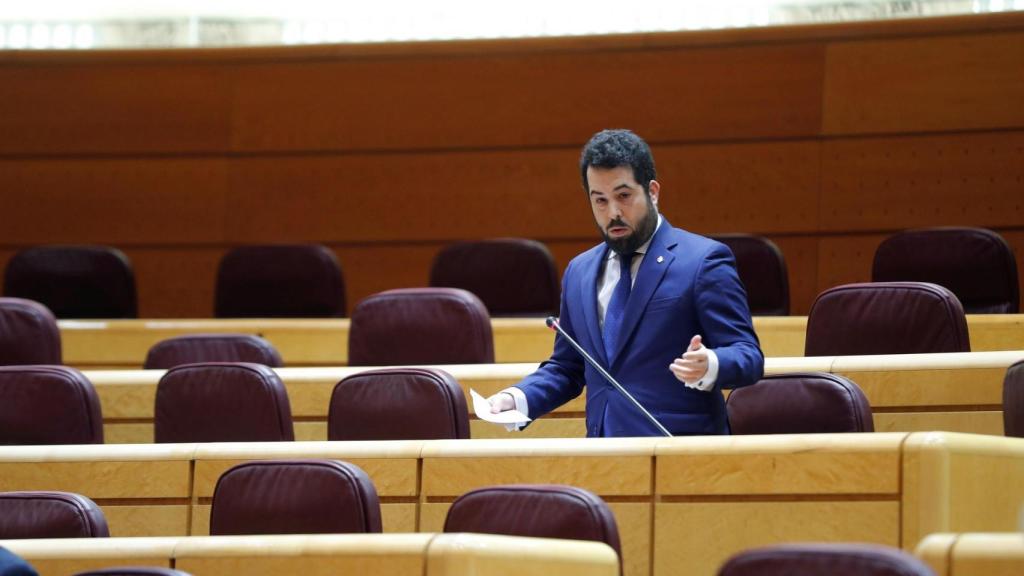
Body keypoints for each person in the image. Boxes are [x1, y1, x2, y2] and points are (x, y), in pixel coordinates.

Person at [488, 129, 763, 436]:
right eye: (600, 201)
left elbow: (748, 356)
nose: (613, 213)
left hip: (682, 454)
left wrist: (711, 364)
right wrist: (518, 398)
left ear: (653, 191)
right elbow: (568, 367)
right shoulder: (580, 272)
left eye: (623, 196)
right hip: (605, 458)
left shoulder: (703, 261)